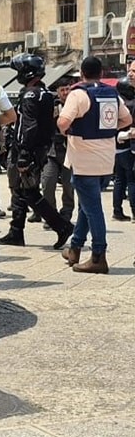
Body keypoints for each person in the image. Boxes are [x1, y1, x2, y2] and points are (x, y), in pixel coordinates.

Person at [58, 56, 132, 274]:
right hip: (106, 160)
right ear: (101, 73)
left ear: (82, 73)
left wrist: (69, 131)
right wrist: (106, 130)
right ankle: (75, 247)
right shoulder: (112, 93)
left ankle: (99, 256)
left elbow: (63, 122)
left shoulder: (78, 94)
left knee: (93, 209)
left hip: (84, 161)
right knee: (86, 206)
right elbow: (126, 120)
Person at [0, 53, 74, 248]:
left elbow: (26, 126)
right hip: (41, 150)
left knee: (25, 191)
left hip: (27, 150)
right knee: (24, 191)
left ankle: (61, 226)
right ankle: (17, 231)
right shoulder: (47, 94)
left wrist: (23, 154)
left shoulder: (29, 95)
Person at [36, 77, 75, 224]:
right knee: (48, 182)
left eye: (67, 89)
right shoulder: (52, 106)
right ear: (57, 92)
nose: (65, 92)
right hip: (52, 150)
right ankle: (51, 215)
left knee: (68, 186)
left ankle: (66, 214)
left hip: (69, 151)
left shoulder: (75, 105)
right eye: (62, 90)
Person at [111, 78, 135, 221]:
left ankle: (117, 211)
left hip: (116, 147)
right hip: (128, 147)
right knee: (132, 181)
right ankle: (134, 212)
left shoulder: (116, 103)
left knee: (119, 180)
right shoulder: (131, 104)